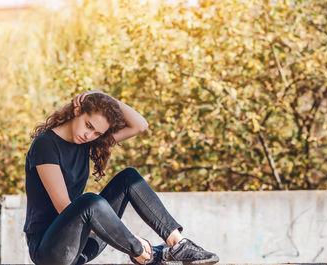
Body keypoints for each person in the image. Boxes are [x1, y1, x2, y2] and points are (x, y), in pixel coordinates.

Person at [23, 90, 219, 265]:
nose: (89, 135)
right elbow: (64, 208)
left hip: (83, 246)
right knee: (90, 201)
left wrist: (101, 95)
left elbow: (140, 125)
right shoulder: (45, 145)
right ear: (77, 111)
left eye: (97, 132)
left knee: (128, 178)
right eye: (88, 125)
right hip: (50, 251)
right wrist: (131, 240)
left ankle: (178, 244)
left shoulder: (85, 142)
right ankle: (144, 254)